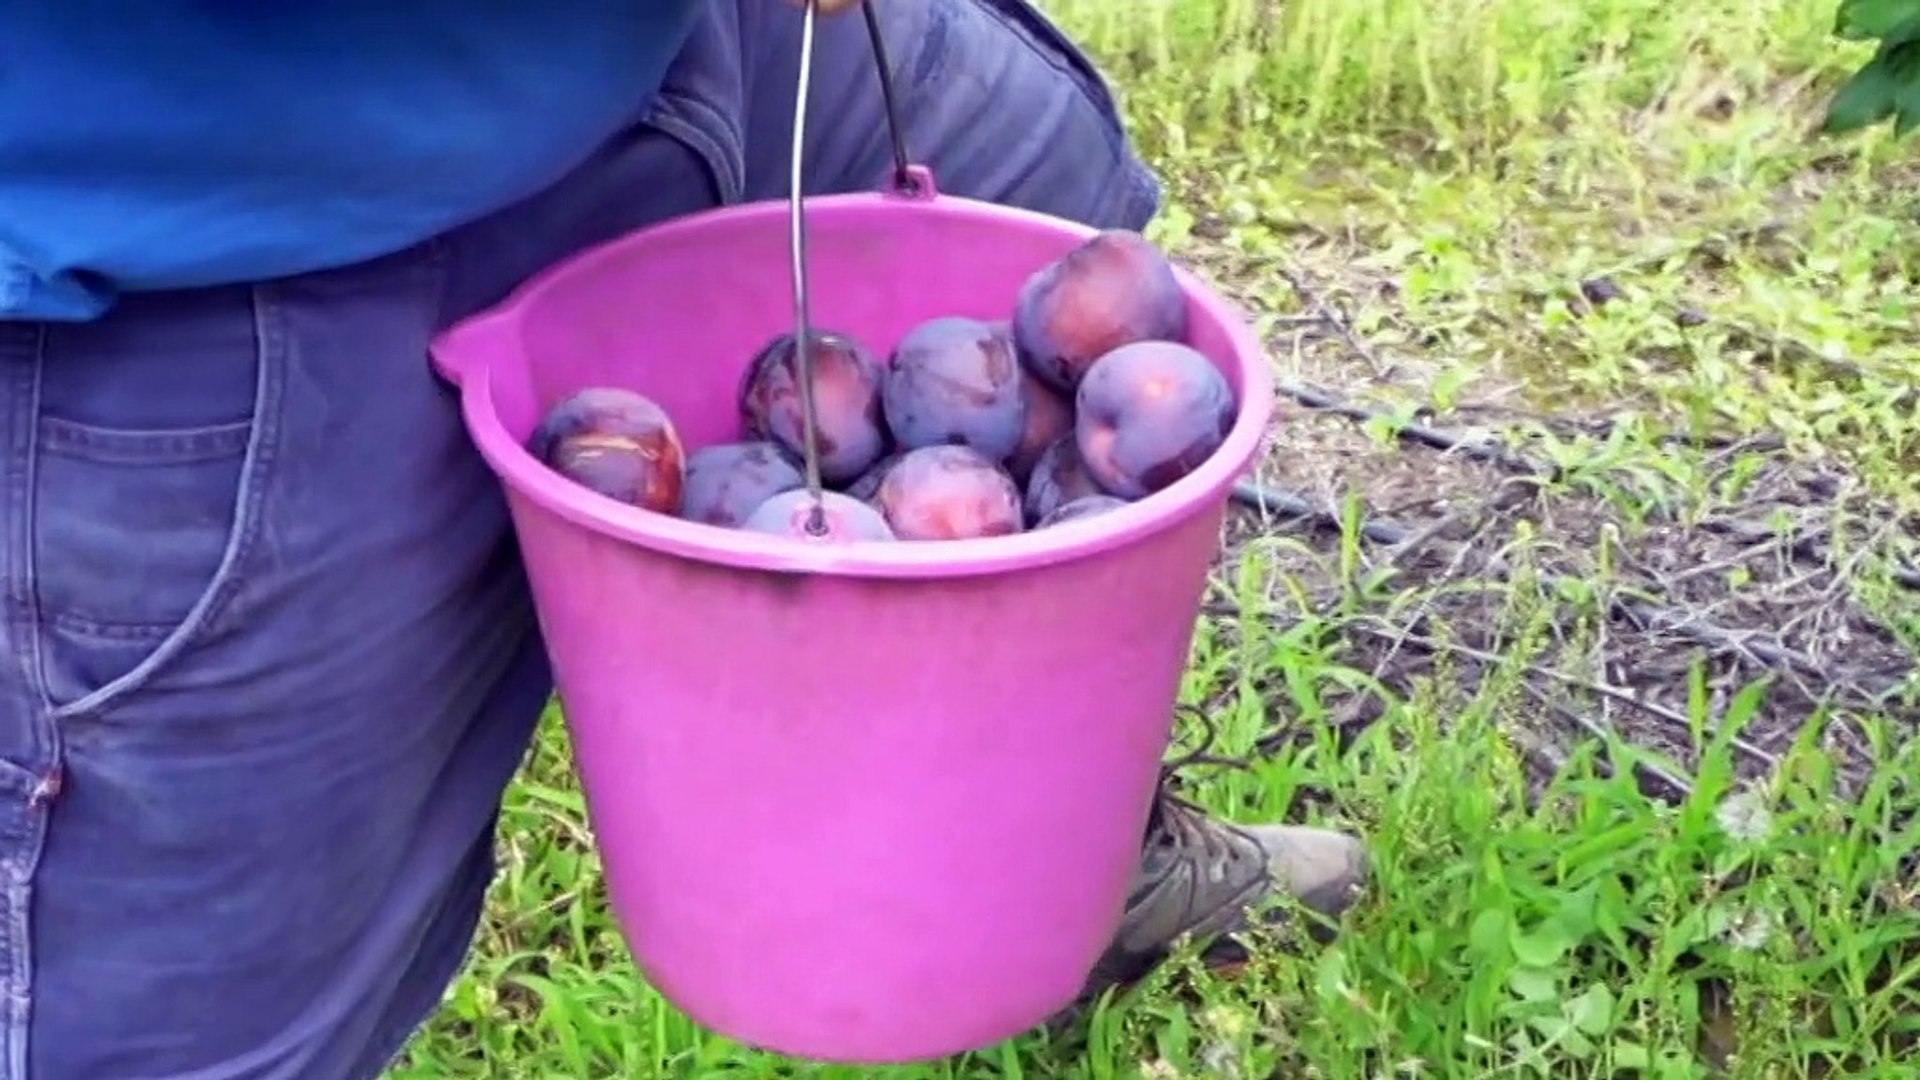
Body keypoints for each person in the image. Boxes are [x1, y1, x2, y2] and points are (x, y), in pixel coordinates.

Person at [0, 1, 1369, 1075]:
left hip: (652, 51)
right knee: (201, 1017)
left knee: (1046, 181)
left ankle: (1056, 852)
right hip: (207, 208)